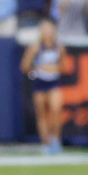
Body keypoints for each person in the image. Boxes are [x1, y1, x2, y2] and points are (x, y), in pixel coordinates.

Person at [21, 20, 66, 155]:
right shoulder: (35, 48)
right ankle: (46, 143)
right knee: (42, 115)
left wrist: (53, 69)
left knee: (56, 110)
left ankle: (55, 140)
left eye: (50, 29)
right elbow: (25, 66)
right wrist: (34, 72)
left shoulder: (59, 47)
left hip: (53, 83)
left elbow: (63, 67)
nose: (47, 32)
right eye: (44, 29)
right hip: (40, 84)